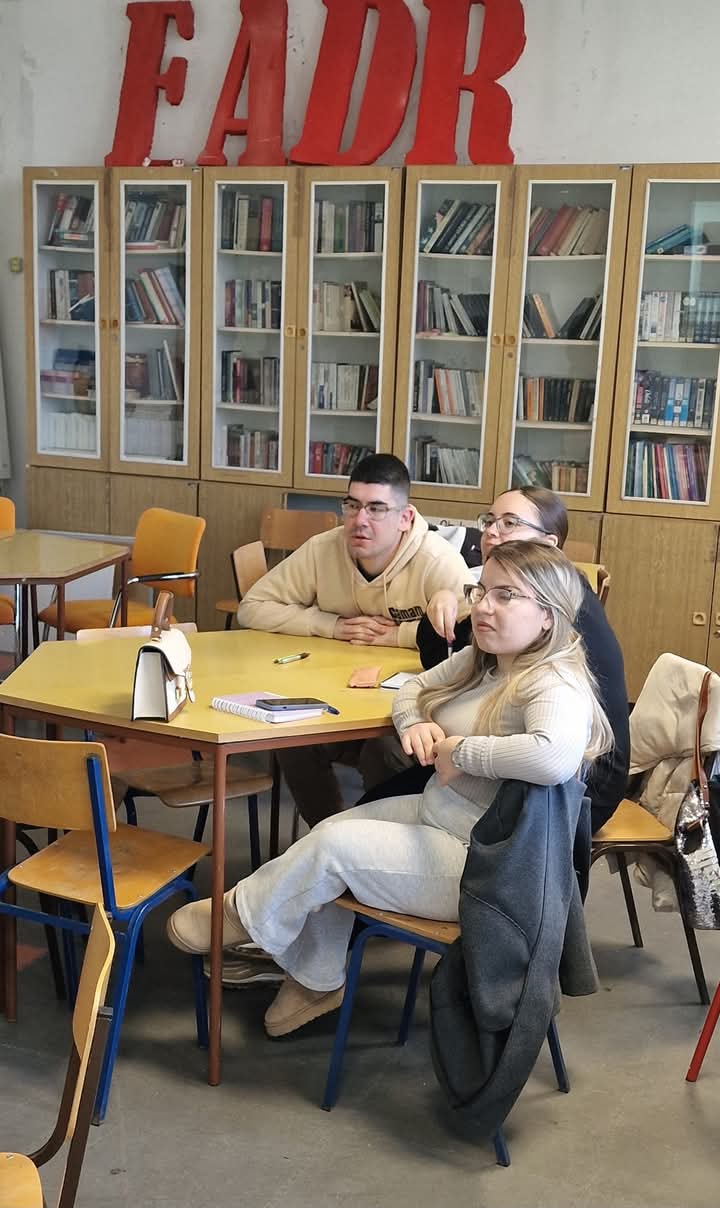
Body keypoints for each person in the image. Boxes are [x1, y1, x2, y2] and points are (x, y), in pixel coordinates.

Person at [167, 542, 613, 1040]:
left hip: (485, 866)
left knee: (335, 850)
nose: (484, 606)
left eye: (506, 595)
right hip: (442, 816)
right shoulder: (485, 659)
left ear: (548, 616)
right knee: (328, 833)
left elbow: (554, 758)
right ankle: (316, 978)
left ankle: (239, 917)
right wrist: (415, 723)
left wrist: (461, 751)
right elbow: (410, 691)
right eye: (481, 590)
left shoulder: (553, 682)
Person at [361, 486, 630, 834]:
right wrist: (440, 606)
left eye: (510, 523)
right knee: (380, 785)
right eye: (489, 521)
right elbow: (455, 659)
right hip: (505, 768)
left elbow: (555, 755)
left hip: (574, 793)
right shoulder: (505, 597)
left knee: (381, 784)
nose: (491, 532)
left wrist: (460, 751)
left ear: (549, 544)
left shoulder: (562, 616)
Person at [236, 454, 470, 828]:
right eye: (352, 505)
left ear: (406, 518)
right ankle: (326, 837)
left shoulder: (436, 561)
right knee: (293, 739)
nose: (360, 520)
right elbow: (252, 608)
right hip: (338, 695)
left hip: (408, 710)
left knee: (385, 751)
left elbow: (470, 640)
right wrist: (329, 625)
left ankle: (376, 846)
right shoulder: (322, 548)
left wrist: (399, 635)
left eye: (376, 509)